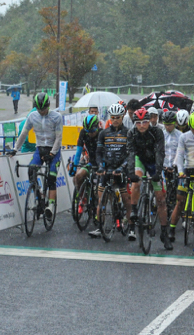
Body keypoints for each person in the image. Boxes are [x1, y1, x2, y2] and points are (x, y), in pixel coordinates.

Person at [9, 93, 62, 221]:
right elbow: (23, 134)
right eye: (39, 110)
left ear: (48, 106)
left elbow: (59, 138)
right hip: (40, 149)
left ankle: (51, 206)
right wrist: (15, 149)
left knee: (51, 177)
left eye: (44, 109)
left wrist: (52, 154)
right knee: (31, 170)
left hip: (53, 150)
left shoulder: (57, 117)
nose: (42, 112)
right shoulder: (32, 116)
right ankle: (39, 197)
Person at [127, 107, 173, 250]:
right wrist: (130, 173)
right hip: (140, 160)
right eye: (138, 122)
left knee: (160, 199)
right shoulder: (132, 133)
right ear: (135, 123)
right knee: (136, 183)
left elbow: (160, 153)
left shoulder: (157, 132)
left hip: (154, 162)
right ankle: (134, 210)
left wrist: (158, 172)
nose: (142, 125)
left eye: (145, 122)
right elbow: (130, 155)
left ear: (149, 122)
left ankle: (164, 233)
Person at [90, 103, 131, 238]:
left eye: (118, 117)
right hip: (107, 170)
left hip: (120, 169)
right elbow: (98, 152)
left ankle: (129, 223)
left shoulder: (128, 133)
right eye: (113, 117)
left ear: (122, 117)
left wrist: (122, 168)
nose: (115, 120)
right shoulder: (104, 133)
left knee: (126, 199)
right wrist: (100, 167)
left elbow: (129, 154)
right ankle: (100, 225)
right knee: (101, 200)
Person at [169, 111, 194, 242]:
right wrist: (180, 171)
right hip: (187, 170)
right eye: (192, 128)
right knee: (180, 201)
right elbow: (179, 155)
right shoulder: (184, 137)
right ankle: (171, 229)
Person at [71, 114, 100, 192]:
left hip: (101, 164)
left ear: (97, 126)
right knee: (77, 177)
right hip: (90, 163)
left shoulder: (102, 133)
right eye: (88, 131)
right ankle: (82, 199)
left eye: (92, 131)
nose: (90, 134)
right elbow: (78, 151)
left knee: (99, 188)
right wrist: (74, 166)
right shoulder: (83, 132)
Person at [161, 111, 183, 190]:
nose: (167, 127)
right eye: (166, 124)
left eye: (170, 124)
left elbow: (181, 152)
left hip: (175, 168)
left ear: (175, 123)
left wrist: (175, 166)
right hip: (163, 168)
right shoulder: (161, 134)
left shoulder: (180, 135)